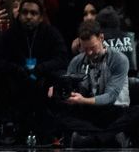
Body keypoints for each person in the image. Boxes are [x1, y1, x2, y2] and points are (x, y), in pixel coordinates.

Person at [0, 0, 67, 145]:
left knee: (61, 76)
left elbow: (62, 58)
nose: (28, 16)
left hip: (41, 79)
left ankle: (53, 129)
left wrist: (41, 68)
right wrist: (16, 69)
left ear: (41, 17)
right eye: (25, 12)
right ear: (19, 15)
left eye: (33, 13)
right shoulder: (10, 34)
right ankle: (7, 126)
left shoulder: (51, 33)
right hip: (16, 80)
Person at [50, 20, 139, 148]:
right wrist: (58, 91)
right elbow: (68, 89)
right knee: (58, 116)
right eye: (85, 49)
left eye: (92, 47)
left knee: (136, 112)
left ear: (101, 38)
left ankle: (93, 138)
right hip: (89, 114)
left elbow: (111, 96)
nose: (89, 53)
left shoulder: (119, 59)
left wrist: (83, 100)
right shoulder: (76, 61)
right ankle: (108, 137)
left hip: (114, 111)